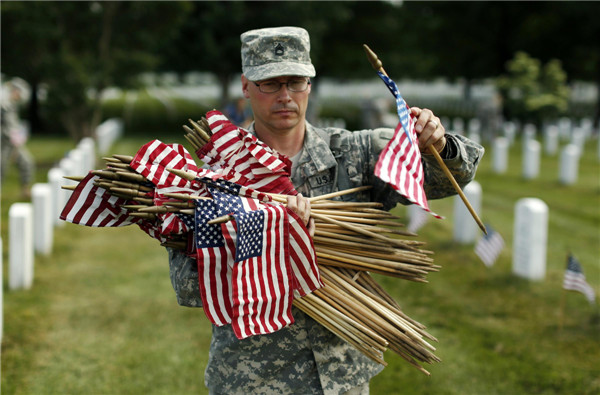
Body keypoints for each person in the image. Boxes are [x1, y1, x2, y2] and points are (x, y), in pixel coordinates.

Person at [168, 26, 484, 394]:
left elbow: (451, 178)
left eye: (296, 81)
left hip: (340, 379)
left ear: (310, 84)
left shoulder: (354, 152)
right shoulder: (213, 177)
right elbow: (190, 288)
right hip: (252, 379)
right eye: (270, 83)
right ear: (245, 86)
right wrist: (268, 245)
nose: (285, 95)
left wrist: (439, 143)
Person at [1, 81, 35, 199]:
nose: (19, 96)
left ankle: (25, 190)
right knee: (1, 168)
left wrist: (19, 138)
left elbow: (14, 126)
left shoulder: (13, 106)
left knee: (27, 161)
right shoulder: (3, 105)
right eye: (18, 92)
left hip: (14, 143)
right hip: (2, 144)